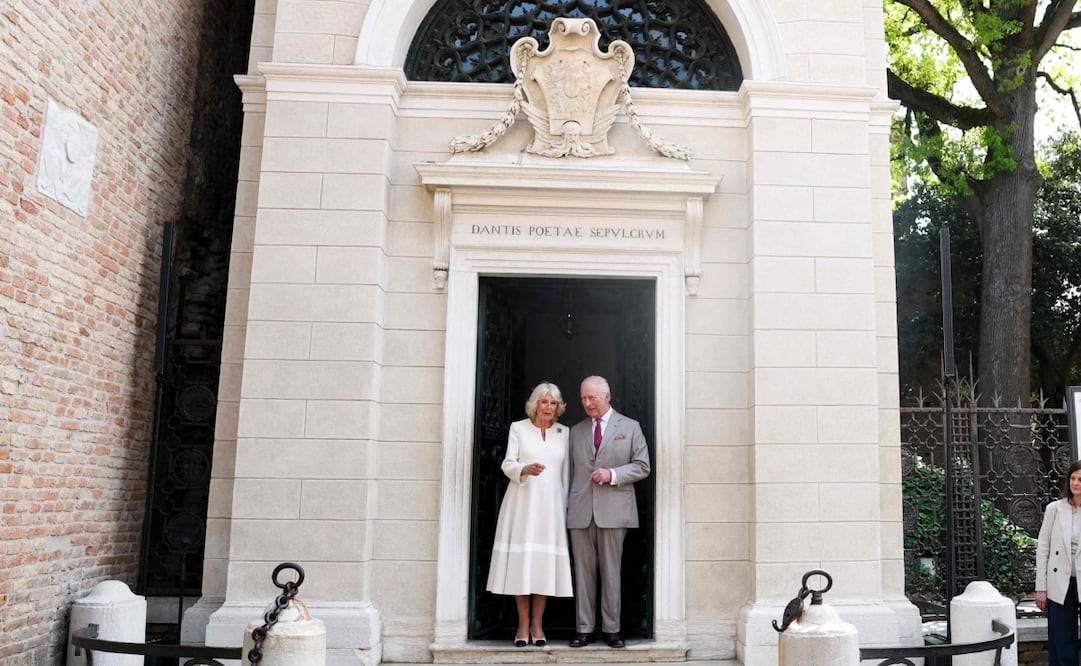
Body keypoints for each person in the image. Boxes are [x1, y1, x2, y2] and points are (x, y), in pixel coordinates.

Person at [566, 375, 651, 648]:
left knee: (611, 572)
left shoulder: (630, 426)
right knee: (583, 573)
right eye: (583, 398)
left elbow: (642, 466)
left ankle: (612, 630)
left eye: (592, 397)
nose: (587, 403)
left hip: (614, 511)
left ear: (607, 396)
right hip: (580, 511)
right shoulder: (575, 431)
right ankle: (584, 628)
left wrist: (612, 473)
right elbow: (566, 472)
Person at [486, 382, 573, 647]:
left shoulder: (564, 433)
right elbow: (507, 463)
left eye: (553, 403)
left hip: (552, 508)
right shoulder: (518, 428)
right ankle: (523, 624)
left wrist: (566, 506)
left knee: (543, 565)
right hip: (523, 504)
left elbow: (566, 474)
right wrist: (524, 469)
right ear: (534, 404)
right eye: (544, 402)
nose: (548, 407)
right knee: (522, 565)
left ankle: (538, 624)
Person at [1036, 459, 1081, 665]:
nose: (1076, 483)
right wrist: (1041, 588)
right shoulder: (1054, 509)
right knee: (1062, 640)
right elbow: (1043, 548)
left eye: (1080, 479)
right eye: (1072, 478)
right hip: (1059, 582)